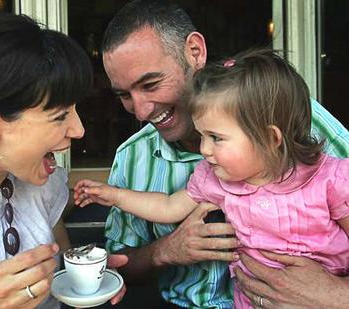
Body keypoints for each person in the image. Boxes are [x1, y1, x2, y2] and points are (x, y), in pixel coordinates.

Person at [98, 1, 349, 308]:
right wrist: (164, 251)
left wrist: (336, 295)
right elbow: (117, 268)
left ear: (195, 51)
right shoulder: (133, 158)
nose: (140, 110)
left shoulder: (295, 119)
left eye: (151, 84)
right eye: (124, 95)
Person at [0, 14, 127, 308]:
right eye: (59, 116)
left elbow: (61, 275)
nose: (79, 130)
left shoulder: (41, 184)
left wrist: (86, 278)